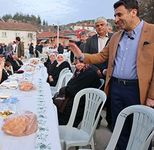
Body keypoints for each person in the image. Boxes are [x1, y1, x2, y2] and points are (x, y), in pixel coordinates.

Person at [68, 0, 154, 149]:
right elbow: (101, 57)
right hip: (116, 88)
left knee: (139, 133)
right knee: (118, 128)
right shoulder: (115, 37)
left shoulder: (152, 32)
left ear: (133, 12)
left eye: (119, 15)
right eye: (114, 15)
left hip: (138, 90)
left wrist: (152, 96)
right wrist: (81, 56)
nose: (115, 20)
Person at [84, 17, 114, 129]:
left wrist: (108, 70)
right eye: (97, 25)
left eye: (102, 25)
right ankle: (96, 120)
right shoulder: (90, 40)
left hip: (111, 73)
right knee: (95, 99)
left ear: (107, 26)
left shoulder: (114, 38)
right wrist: (95, 69)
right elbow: (86, 57)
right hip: (94, 74)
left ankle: (111, 122)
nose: (100, 27)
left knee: (110, 99)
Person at [53, 61, 100, 126]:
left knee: (53, 112)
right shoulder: (83, 71)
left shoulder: (89, 73)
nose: (78, 65)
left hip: (77, 107)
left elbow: (71, 90)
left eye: (81, 62)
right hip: (75, 102)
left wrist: (63, 89)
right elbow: (70, 86)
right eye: (77, 63)